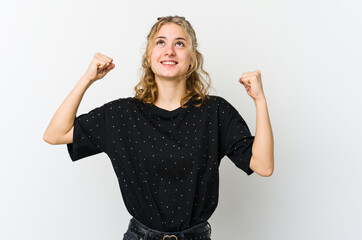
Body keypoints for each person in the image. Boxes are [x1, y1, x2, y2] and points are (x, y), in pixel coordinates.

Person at [43, 15, 274, 240]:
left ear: (192, 58)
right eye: (161, 42)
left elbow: (263, 165)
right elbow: (55, 134)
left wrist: (259, 100)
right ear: (149, 56)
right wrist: (87, 79)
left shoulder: (215, 112)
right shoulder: (122, 115)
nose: (170, 51)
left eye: (180, 44)